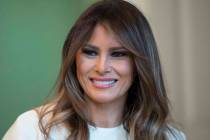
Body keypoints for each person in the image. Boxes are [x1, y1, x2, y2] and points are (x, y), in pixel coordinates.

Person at [3, 0, 186, 140]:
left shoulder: (170, 137)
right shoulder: (31, 129)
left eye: (118, 54)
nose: (101, 67)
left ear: (140, 64)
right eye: (90, 52)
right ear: (74, 58)